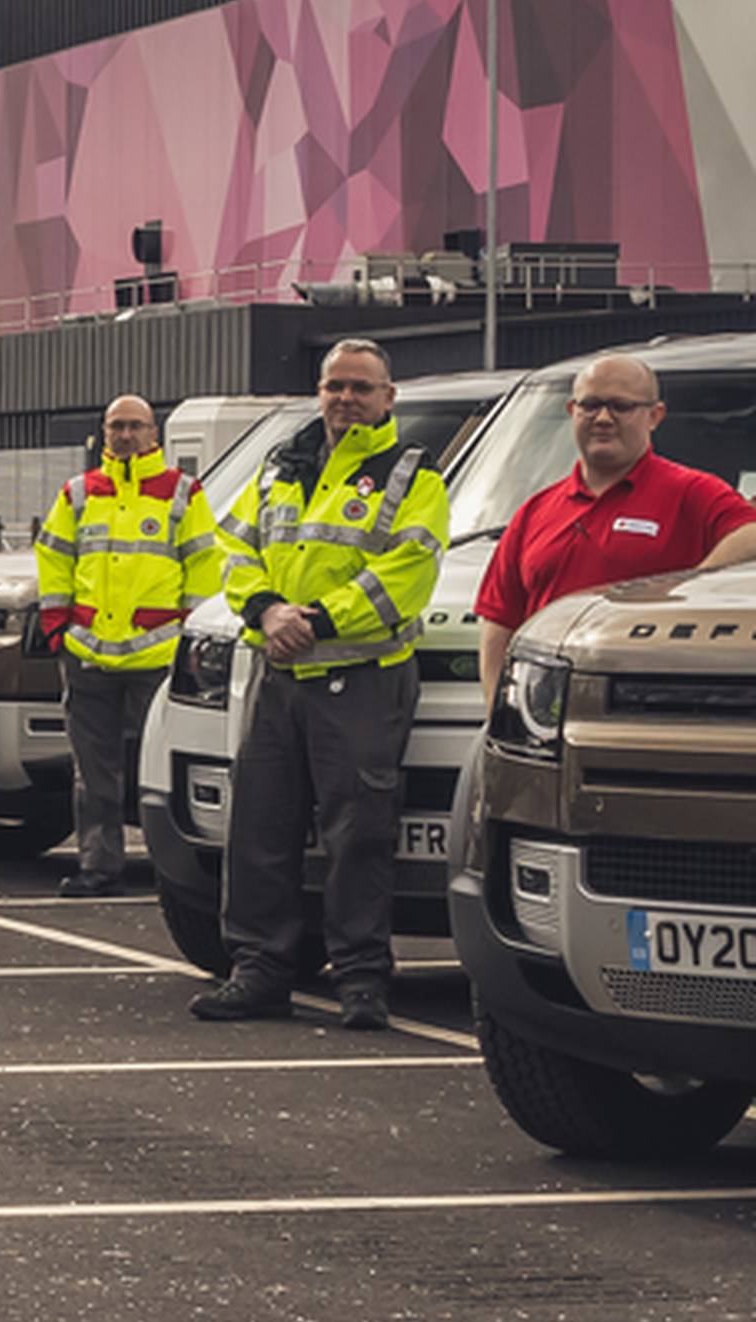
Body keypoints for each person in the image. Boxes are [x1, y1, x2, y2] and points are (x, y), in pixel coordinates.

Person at [191, 339, 449, 1032]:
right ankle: (259, 971)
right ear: (319, 391)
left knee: (358, 835)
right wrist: (266, 609)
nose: (345, 398)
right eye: (335, 385)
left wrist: (322, 619)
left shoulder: (412, 474)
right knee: (260, 830)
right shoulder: (284, 466)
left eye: (361, 387)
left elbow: (409, 571)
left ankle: (363, 979)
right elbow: (232, 548)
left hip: (361, 678)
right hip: (279, 677)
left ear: (388, 397)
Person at [475, 353, 756, 699]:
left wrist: (693, 585)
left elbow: (750, 535)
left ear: (655, 416)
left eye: (621, 406)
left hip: (642, 702)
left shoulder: (692, 492)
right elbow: (498, 625)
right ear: (571, 412)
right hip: (542, 709)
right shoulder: (534, 511)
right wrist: (496, 711)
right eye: (590, 405)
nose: (603, 418)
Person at [36, 394, 221, 896]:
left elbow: (204, 568)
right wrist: (59, 628)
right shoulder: (78, 493)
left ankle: (176, 871)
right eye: (116, 426)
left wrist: (190, 639)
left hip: (157, 656)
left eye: (135, 426)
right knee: (94, 775)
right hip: (89, 654)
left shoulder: (182, 492)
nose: (125, 435)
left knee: (164, 770)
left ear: (154, 435)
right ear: (104, 432)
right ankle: (98, 867)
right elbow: (54, 560)